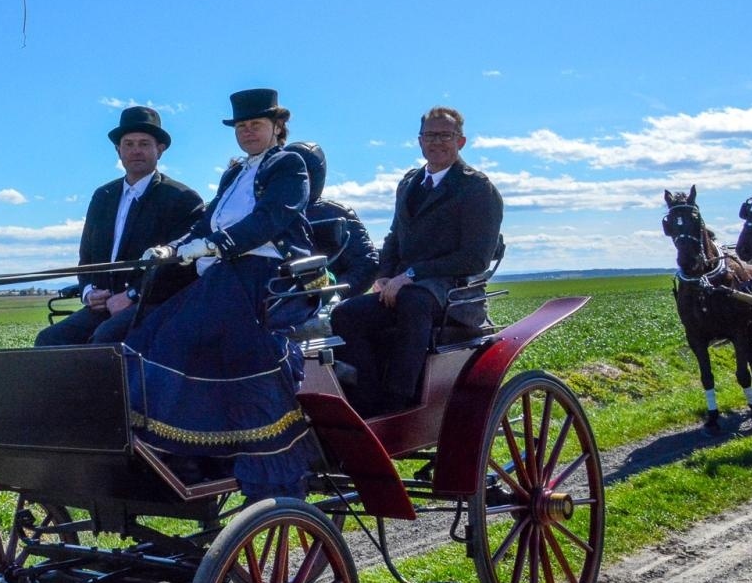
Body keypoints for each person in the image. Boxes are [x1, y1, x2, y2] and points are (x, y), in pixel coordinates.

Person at [122, 88, 317, 500]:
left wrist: (215, 246)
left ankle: (204, 444)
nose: (247, 132)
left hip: (265, 275)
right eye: (241, 126)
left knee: (181, 335)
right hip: (226, 275)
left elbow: (271, 219)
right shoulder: (235, 173)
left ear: (276, 127)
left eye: (256, 125)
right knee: (153, 332)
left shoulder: (290, 166)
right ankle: (175, 443)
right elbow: (206, 223)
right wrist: (174, 248)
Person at [332, 106, 503, 417]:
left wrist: (411, 274)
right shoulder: (410, 183)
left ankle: (398, 400)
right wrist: (384, 276)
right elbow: (395, 237)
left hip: (453, 292)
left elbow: (474, 257)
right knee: (345, 314)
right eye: (430, 135)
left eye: (445, 136)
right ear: (419, 141)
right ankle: (365, 400)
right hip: (405, 287)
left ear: (460, 141)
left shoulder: (477, 189)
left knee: (413, 300)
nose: (436, 142)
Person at [35, 106, 203, 347]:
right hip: (105, 305)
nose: (136, 151)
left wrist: (132, 295)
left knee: (105, 338)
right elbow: (87, 257)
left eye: (144, 144)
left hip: (154, 305)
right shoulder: (103, 196)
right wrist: (89, 292)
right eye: (129, 144)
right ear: (118, 150)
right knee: (50, 339)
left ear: (160, 150)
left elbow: (182, 266)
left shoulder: (181, 198)